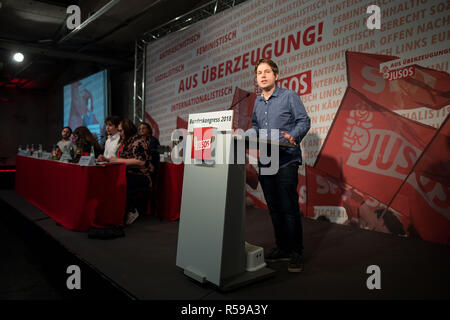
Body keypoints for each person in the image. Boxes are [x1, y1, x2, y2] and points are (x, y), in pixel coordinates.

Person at [250, 59, 310, 273]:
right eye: (259, 73)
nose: (263, 76)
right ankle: (282, 248)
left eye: (267, 72)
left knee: (288, 207)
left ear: (276, 76)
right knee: (274, 208)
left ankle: (296, 252)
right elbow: (255, 126)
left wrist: (292, 137)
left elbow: (304, 121)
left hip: (285, 159)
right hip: (266, 160)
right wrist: (245, 136)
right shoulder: (257, 102)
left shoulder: (289, 96)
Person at [106, 119, 153, 225]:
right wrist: (106, 159)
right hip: (127, 173)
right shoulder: (127, 141)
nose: (119, 133)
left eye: (121, 130)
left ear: (127, 130)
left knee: (119, 182)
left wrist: (117, 160)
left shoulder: (138, 141)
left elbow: (141, 162)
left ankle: (130, 210)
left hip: (141, 176)